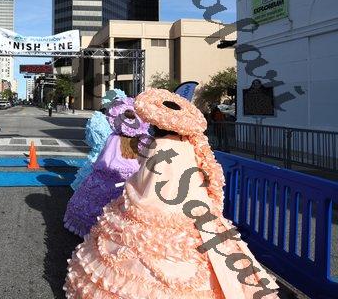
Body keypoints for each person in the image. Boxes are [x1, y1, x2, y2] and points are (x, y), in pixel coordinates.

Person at [64, 88, 279, 298]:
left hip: (155, 210)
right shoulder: (190, 146)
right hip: (194, 212)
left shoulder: (156, 145)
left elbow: (145, 182)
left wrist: (130, 185)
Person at [64, 97, 150, 237]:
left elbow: (104, 157)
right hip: (130, 178)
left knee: (96, 199)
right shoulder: (142, 139)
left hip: (106, 175)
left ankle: (92, 227)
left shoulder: (114, 137)